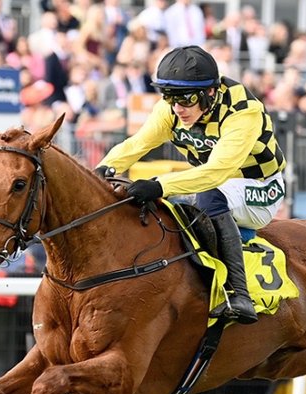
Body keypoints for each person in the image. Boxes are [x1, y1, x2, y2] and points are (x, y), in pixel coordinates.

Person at [95, 45, 287, 324]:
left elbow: (216, 173)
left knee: (206, 194)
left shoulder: (243, 112)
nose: (177, 108)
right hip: (215, 186)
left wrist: (158, 184)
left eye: (185, 99)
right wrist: (102, 170)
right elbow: (136, 144)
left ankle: (239, 294)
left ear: (210, 92)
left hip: (260, 188)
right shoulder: (171, 110)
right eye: (169, 97)